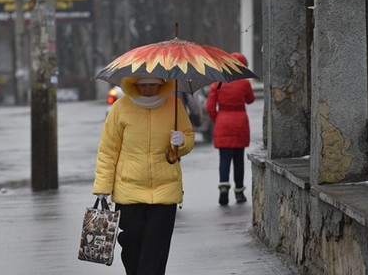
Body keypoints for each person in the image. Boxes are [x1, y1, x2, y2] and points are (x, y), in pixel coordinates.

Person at [93, 76, 195, 275]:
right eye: (144, 85)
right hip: (129, 190)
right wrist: (102, 189)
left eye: (153, 85)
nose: (148, 89)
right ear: (135, 85)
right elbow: (108, 150)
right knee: (131, 246)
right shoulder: (120, 107)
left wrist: (182, 141)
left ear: (161, 85)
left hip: (165, 190)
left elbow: (188, 138)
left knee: (156, 249)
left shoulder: (175, 106)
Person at [205, 52, 255, 206]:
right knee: (239, 160)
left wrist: (218, 119)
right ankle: (239, 192)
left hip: (223, 123)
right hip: (240, 123)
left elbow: (209, 107)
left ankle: (224, 186)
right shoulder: (244, 83)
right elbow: (251, 100)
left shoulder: (217, 83)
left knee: (224, 158)